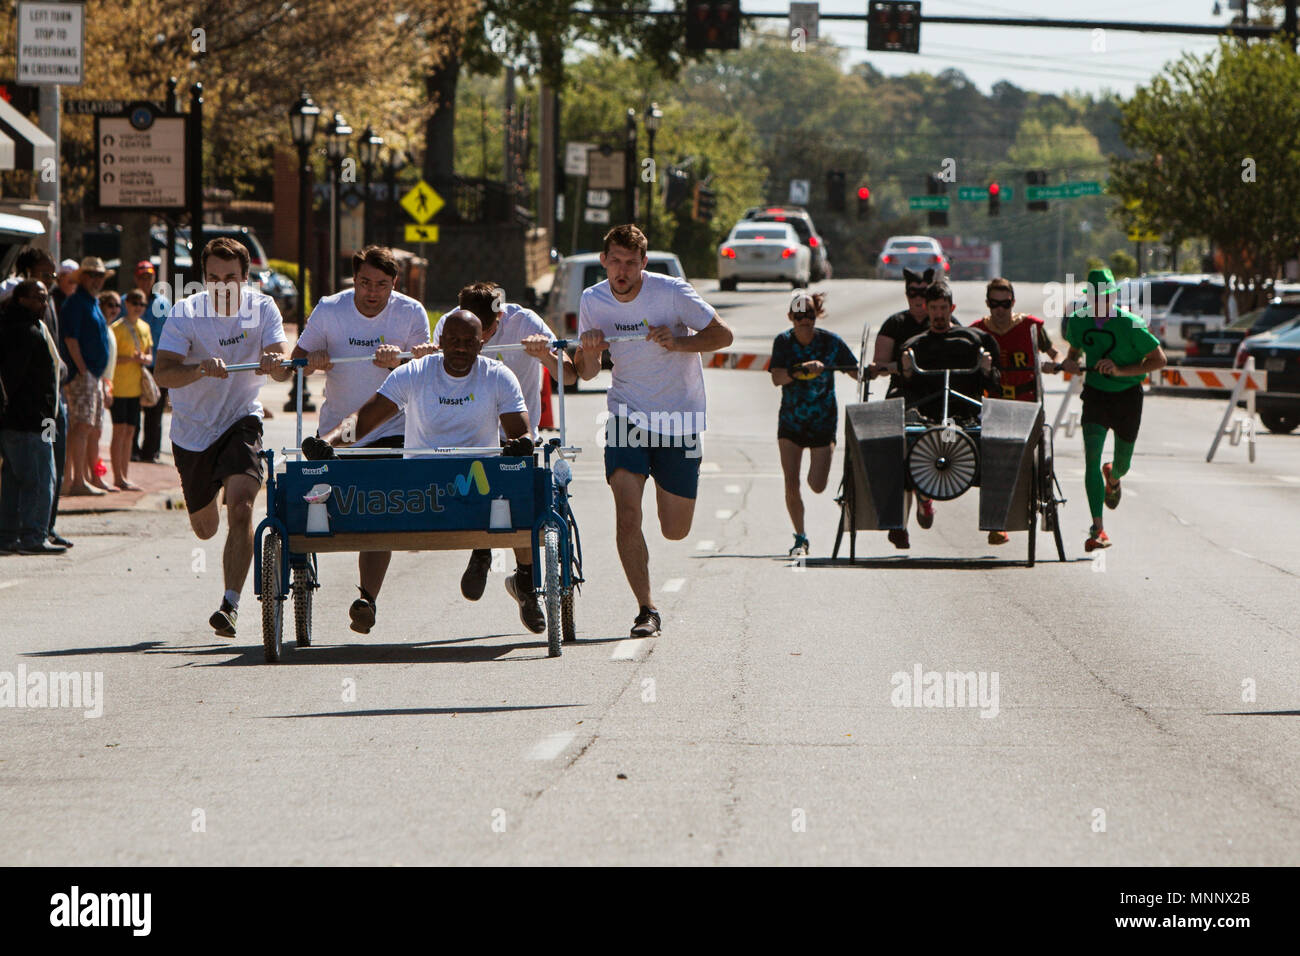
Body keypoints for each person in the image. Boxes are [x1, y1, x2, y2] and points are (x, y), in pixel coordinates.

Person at [304, 310, 535, 621]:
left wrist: (523, 443)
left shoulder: (498, 375)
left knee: (521, 486)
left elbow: (522, 432)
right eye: (453, 341)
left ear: (481, 345)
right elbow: (365, 418)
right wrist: (329, 441)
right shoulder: (415, 372)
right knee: (379, 505)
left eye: (469, 342)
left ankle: (525, 581)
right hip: (421, 482)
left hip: (479, 483)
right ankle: (367, 600)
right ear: (440, 342)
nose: (461, 348)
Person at [575, 224, 734, 638]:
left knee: (674, 529)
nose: (622, 270)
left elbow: (723, 335)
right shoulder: (593, 300)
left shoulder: (672, 292)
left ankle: (675, 490)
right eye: (615, 261)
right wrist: (589, 351)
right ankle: (646, 608)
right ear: (604, 261)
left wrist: (679, 342)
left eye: (631, 262)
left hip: (679, 419)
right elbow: (587, 373)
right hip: (626, 414)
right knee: (627, 512)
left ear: (643, 263)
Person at [153, 237, 292, 637]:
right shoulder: (187, 312)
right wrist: (197, 369)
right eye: (213, 278)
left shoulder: (261, 308)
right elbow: (163, 373)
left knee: (244, 507)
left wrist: (275, 362)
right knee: (206, 529)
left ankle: (229, 605)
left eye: (230, 278)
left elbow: (282, 364)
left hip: (240, 421)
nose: (221, 286)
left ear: (246, 278)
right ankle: (203, 499)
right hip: (192, 432)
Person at [290, 245, 432, 635]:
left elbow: (426, 372)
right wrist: (312, 360)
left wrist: (401, 361)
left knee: (379, 510)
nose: (372, 292)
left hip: (391, 428)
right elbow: (292, 365)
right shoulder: (330, 309)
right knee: (321, 508)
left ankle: (367, 598)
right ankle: (300, 567)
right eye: (365, 283)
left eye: (382, 285)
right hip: (338, 432)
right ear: (354, 280)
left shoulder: (410, 312)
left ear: (394, 284)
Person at [438, 280, 578, 630]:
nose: (476, 341)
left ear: (499, 320)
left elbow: (571, 376)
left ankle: (526, 584)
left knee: (522, 506)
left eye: (483, 332)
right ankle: (481, 549)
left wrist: (544, 353)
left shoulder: (526, 322)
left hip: (518, 435)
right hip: (471, 434)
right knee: (473, 490)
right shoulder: (451, 325)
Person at [1061, 267, 1166, 552]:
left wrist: (1121, 371)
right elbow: (1074, 353)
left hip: (1127, 396)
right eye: (1094, 297)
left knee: (1124, 462)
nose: (1100, 302)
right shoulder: (1079, 322)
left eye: (1105, 296)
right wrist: (1069, 363)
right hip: (1095, 395)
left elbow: (1159, 360)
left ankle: (1114, 476)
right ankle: (1098, 527)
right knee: (1090, 457)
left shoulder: (1131, 323)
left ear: (1114, 296)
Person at [897, 281, 1001, 550]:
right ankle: (908, 508)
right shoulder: (914, 345)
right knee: (899, 437)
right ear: (926, 309)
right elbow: (903, 391)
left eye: (944, 308)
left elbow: (995, 385)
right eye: (934, 308)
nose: (939, 314)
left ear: (952, 308)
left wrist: (988, 370)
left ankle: (997, 521)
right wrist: (907, 371)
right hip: (927, 419)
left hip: (966, 418)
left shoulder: (974, 340)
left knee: (999, 443)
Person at [970, 277, 1062, 545]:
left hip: (1027, 404)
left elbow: (1053, 352)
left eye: (1006, 303)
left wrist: (1053, 363)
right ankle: (997, 524)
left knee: (1030, 460)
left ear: (1013, 302)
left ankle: (1039, 495)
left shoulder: (1031, 327)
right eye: (995, 304)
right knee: (995, 462)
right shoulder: (977, 331)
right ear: (988, 304)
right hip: (993, 406)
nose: (1001, 309)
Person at [769, 290, 859, 556]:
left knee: (817, 484)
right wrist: (802, 369)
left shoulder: (831, 343)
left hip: (822, 422)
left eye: (809, 314)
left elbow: (856, 371)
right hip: (791, 421)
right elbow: (777, 377)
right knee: (791, 482)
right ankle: (800, 537)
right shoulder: (783, 342)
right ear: (790, 317)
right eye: (799, 315)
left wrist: (877, 369)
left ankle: (818, 504)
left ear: (816, 314)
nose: (804, 320)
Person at [0, 248, 72, 546]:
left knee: (15, 480)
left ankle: (9, 534)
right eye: (38, 296)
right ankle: (34, 535)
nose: (45, 300)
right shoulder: (25, 332)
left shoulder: (27, 325)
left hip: (31, 417)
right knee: (43, 478)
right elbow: (14, 379)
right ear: (21, 298)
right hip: (33, 420)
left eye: (45, 295)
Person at [867, 267, 940, 543]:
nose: (918, 300)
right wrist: (899, 367)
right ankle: (899, 521)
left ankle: (925, 495)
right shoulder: (895, 324)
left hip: (938, 396)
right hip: (904, 394)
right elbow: (879, 363)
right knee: (900, 450)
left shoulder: (945, 321)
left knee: (927, 448)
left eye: (923, 294)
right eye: (912, 293)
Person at [60, 257, 115, 497]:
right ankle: (76, 481)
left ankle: (77, 479)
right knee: (81, 426)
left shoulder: (91, 302)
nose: (97, 280)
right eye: (92, 275)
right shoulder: (76, 303)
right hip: (83, 374)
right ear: (82, 277)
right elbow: (71, 339)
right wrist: (83, 370)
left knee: (85, 427)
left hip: (93, 374)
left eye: (100, 276)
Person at [108, 290, 153, 491]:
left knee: (130, 432)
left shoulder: (145, 327)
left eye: (142, 304)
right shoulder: (116, 328)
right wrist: (132, 359)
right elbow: (112, 359)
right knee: (118, 432)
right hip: (118, 387)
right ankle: (117, 476)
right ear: (126, 304)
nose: (138, 307)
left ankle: (124, 476)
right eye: (134, 302)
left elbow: (150, 355)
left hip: (136, 388)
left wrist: (143, 359)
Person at [132, 260, 171, 463]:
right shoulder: (126, 301)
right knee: (131, 411)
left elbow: (171, 333)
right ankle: (132, 451)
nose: (146, 280)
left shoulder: (163, 303)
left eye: (149, 277)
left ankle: (151, 452)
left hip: (157, 364)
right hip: (131, 365)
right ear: (135, 278)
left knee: (154, 411)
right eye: (142, 276)